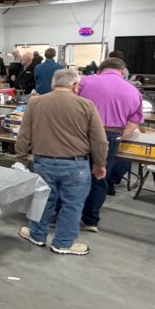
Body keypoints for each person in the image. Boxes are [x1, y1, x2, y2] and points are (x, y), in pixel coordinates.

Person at [15, 69, 107, 256]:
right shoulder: (86, 105)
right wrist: (99, 164)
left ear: (53, 84)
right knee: (72, 205)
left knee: (42, 200)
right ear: (75, 85)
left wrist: (21, 160)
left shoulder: (36, 102)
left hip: (43, 162)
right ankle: (63, 243)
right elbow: (99, 139)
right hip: (76, 165)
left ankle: (37, 235)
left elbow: (24, 134)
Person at [78, 57, 143, 232]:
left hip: (80, 133)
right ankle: (90, 220)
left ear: (100, 69)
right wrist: (120, 136)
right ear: (123, 72)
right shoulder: (133, 90)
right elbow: (134, 122)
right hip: (111, 134)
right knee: (99, 176)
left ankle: (59, 214)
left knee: (72, 173)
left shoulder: (85, 81)